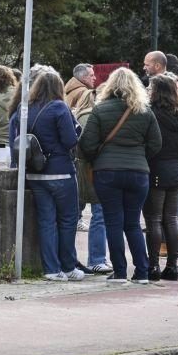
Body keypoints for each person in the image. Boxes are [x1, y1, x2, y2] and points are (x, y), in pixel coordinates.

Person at [80, 67, 161, 284]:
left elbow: (87, 144)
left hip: (107, 172)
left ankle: (119, 272)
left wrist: (99, 156)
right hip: (138, 173)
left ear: (110, 86)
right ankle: (142, 272)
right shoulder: (145, 112)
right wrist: (139, 155)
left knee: (113, 222)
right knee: (133, 223)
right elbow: (156, 144)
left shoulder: (100, 110)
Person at [8, 71, 83, 281]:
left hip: (35, 173)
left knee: (46, 221)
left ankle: (51, 269)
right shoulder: (59, 107)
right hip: (60, 172)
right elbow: (70, 141)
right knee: (68, 220)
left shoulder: (26, 109)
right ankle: (68, 266)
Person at [143, 74, 178, 281]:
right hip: (177, 170)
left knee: (153, 219)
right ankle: (172, 265)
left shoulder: (151, 114)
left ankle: (153, 265)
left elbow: (151, 144)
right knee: (171, 218)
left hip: (157, 169)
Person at [73, 90, 112, 274]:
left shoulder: (80, 116)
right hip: (91, 170)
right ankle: (96, 259)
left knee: (72, 216)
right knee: (99, 213)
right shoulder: (92, 117)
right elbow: (88, 145)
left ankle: (70, 258)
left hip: (80, 171)